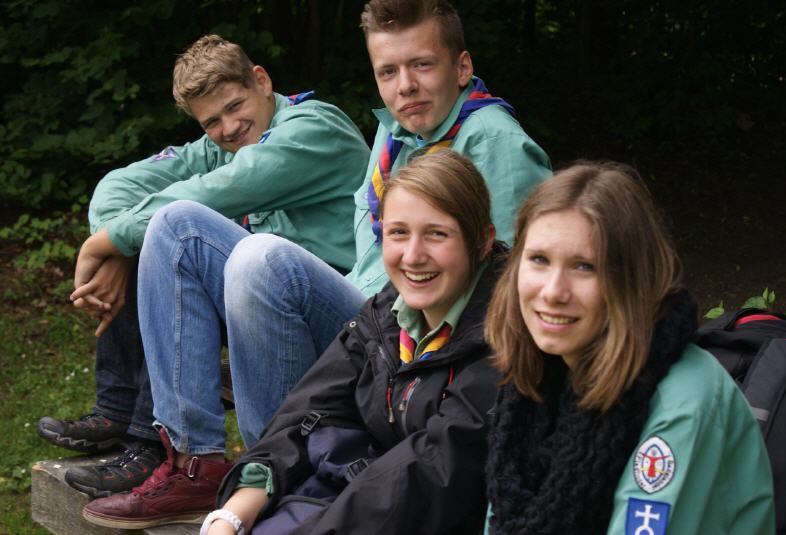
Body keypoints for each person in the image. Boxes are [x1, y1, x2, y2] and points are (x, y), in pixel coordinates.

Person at [80, 0, 550, 528]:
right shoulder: (397, 134)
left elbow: (509, 291)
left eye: (422, 65)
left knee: (255, 257)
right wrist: (111, 242)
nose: (405, 86)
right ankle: (205, 464)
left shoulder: (492, 140)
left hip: (421, 346)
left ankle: (266, 473)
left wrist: (105, 244)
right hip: (371, 324)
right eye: (388, 72)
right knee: (175, 229)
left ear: (461, 67)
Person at [36, 34, 370, 499]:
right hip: (268, 314)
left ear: (261, 81)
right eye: (211, 121)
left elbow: (225, 189)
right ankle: (129, 421)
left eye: (235, 106)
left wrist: (106, 244)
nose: (229, 127)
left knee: (173, 228)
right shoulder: (223, 146)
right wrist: (117, 248)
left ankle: (172, 451)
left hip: (346, 327)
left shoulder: (314, 127)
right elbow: (118, 186)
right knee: (149, 237)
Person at [201, 150, 504, 535]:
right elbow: (309, 411)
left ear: (482, 241)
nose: (413, 256)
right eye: (398, 232)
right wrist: (231, 515)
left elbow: (428, 476)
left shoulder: (504, 340)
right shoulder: (384, 313)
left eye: (437, 234)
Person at [482, 162, 775, 534]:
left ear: (633, 280)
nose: (553, 291)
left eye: (585, 266)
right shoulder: (538, 383)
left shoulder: (683, 403)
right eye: (539, 259)